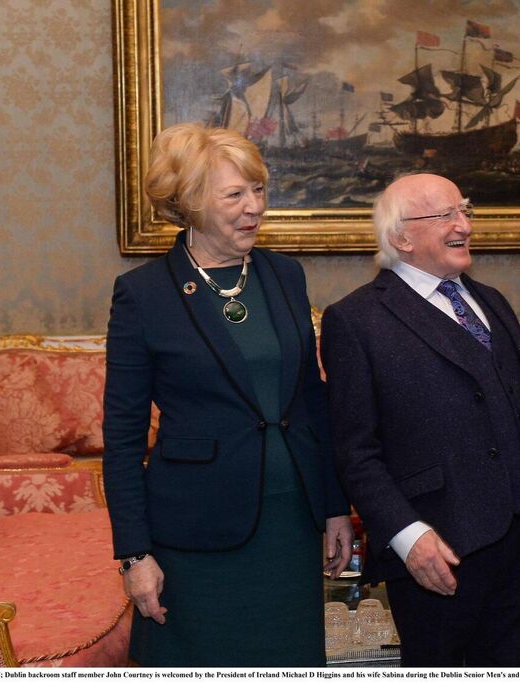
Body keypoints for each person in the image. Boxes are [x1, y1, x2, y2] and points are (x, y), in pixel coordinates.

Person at [320, 173, 520, 667]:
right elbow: (354, 450)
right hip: (436, 547)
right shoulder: (356, 320)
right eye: (446, 216)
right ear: (401, 237)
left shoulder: (489, 299)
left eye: (465, 210)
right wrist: (407, 536)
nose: (465, 225)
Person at [102, 123, 352, 666]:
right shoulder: (143, 294)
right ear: (190, 202)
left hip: (291, 525)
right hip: (197, 532)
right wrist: (134, 554)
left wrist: (336, 507)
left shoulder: (284, 275)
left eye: (258, 190)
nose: (254, 207)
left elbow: (312, 401)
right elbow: (121, 438)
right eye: (235, 194)